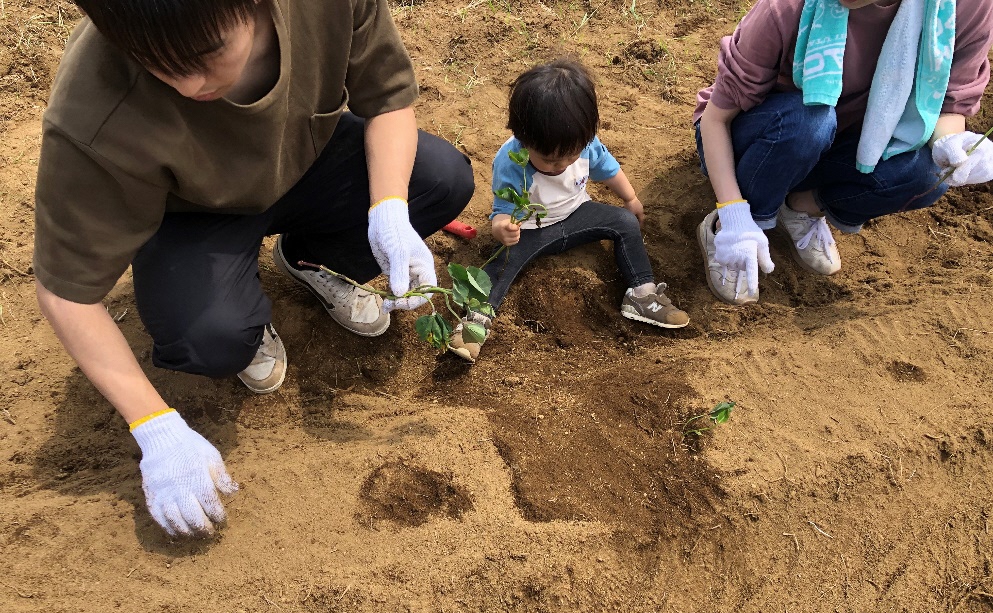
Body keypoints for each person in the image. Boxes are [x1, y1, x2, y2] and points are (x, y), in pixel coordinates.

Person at [32, 0, 475, 537]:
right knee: (210, 337)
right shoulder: (94, 109)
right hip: (194, 213)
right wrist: (155, 427)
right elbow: (66, 291)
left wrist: (387, 208)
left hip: (308, 158)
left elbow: (388, 100)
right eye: (157, 65)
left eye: (205, 54)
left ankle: (308, 258)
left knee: (439, 177)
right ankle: (240, 309)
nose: (189, 85)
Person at [694, 0, 993, 305]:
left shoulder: (963, 7)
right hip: (758, 137)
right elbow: (715, 120)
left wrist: (953, 143)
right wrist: (733, 212)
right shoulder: (784, 8)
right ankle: (730, 227)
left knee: (929, 171)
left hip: (844, 138)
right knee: (810, 120)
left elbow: (949, 101)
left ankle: (800, 207)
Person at [447, 59, 689, 363]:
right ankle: (473, 324)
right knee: (500, 264)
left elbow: (608, 169)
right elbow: (502, 211)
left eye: (568, 157)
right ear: (524, 138)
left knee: (625, 223)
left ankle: (642, 294)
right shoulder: (512, 161)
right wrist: (503, 228)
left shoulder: (585, 143)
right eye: (548, 160)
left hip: (577, 214)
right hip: (531, 231)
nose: (558, 165)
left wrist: (631, 199)